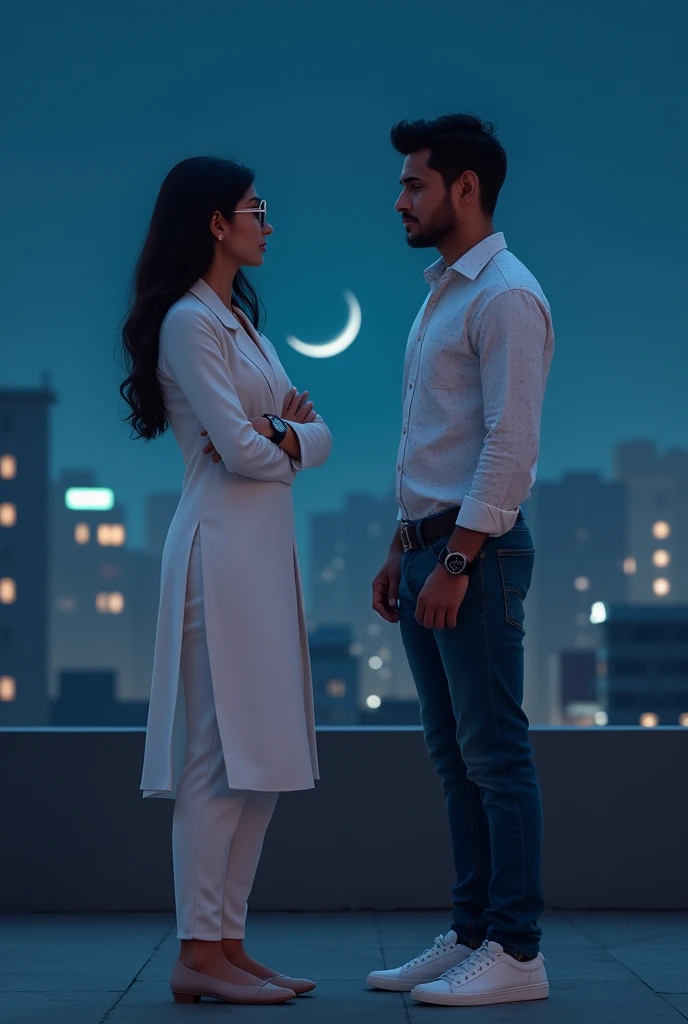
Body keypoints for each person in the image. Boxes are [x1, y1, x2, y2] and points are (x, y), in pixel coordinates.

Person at [119, 156, 331, 1006]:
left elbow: (310, 438)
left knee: (266, 760)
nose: (267, 222)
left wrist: (274, 437)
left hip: (264, 556)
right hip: (216, 555)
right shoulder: (186, 325)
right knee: (217, 756)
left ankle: (230, 943)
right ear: (215, 221)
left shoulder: (244, 325)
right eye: (256, 207)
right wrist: (284, 438)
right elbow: (252, 450)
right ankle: (196, 953)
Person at [367, 114, 555, 1008]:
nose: (400, 199)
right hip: (426, 550)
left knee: (495, 756)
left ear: (465, 187)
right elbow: (432, 439)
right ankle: (472, 930)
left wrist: (458, 559)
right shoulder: (443, 291)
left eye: (414, 184)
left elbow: (510, 444)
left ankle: (517, 952)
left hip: (471, 556)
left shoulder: (505, 295)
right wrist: (399, 548)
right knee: (454, 758)